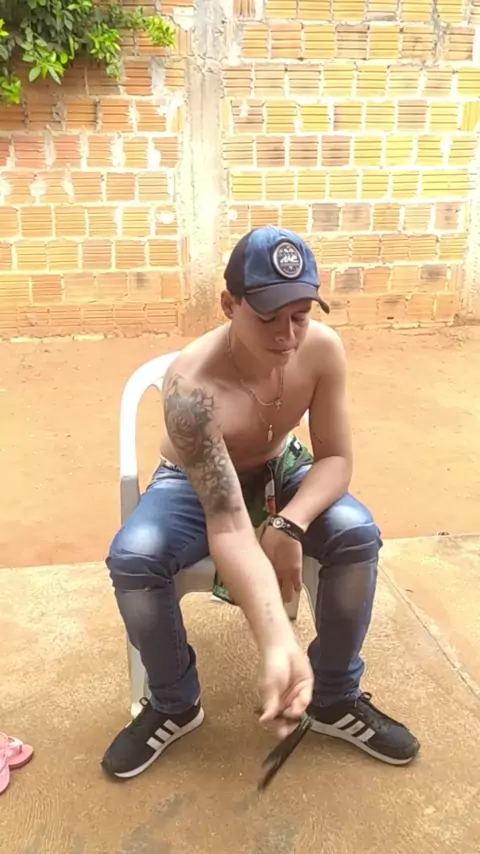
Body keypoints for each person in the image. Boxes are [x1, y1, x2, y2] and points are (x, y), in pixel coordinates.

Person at [102, 225, 420, 780]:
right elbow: (227, 523)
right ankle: (174, 702)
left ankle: (334, 696)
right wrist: (277, 642)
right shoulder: (191, 387)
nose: (287, 335)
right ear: (230, 305)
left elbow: (335, 459)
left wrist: (289, 524)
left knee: (355, 533)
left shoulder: (322, 349)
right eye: (268, 317)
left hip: (280, 465)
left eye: (300, 315)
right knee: (135, 556)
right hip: (195, 481)